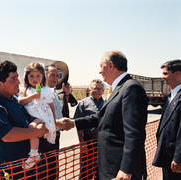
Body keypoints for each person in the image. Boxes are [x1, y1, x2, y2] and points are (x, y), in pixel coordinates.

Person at [62, 50, 148, 180]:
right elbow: (103, 116)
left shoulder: (131, 88)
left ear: (111, 65)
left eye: (101, 66)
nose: (100, 71)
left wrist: (126, 168)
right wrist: (73, 122)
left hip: (119, 168)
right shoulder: (119, 88)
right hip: (109, 165)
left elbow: (134, 132)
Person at [0, 61, 49, 179]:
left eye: (17, 78)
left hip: (32, 167)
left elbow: (34, 117)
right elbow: (7, 135)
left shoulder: (16, 99)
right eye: (13, 79)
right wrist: (37, 132)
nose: (18, 82)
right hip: (13, 170)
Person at [18, 62, 56, 169]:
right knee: (35, 130)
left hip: (43, 117)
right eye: (31, 76)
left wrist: (53, 121)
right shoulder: (25, 90)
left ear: (43, 77)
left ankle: (34, 153)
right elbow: (20, 101)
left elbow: (51, 106)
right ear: (26, 77)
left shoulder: (46, 90)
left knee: (32, 129)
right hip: (35, 117)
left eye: (38, 76)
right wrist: (33, 97)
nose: (35, 79)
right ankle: (35, 154)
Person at [152, 59, 181, 179]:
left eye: (165, 73)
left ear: (178, 74)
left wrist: (179, 157)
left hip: (176, 159)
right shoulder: (171, 95)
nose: (162, 77)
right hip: (168, 155)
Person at [73, 79, 105, 180]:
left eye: (100, 88)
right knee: (86, 172)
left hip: (103, 144)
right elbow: (78, 124)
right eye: (95, 88)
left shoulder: (107, 104)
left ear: (103, 90)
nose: (98, 91)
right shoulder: (83, 103)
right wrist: (81, 142)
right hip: (88, 143)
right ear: (89, 89)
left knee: (101, 173)